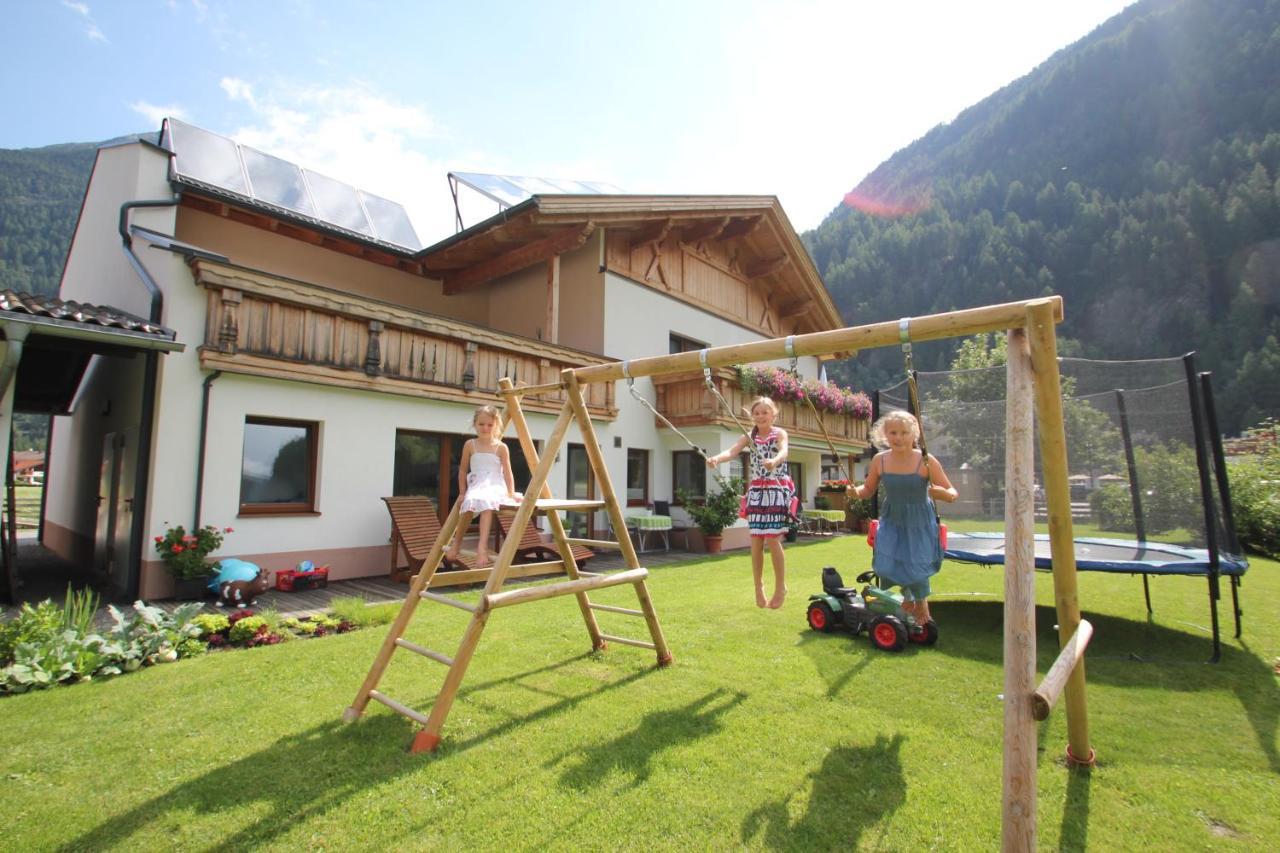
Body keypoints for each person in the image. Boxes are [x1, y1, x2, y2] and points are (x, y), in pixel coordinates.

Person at [848, 410, 957, 630]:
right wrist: (855, 492)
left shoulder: (925, 460)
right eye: (893, 433)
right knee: (886, 563)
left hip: (919, 518)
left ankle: (921, 601)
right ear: (884, 435)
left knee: (915, 561)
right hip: (892, 516)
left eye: (904, 433)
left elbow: (951, 490)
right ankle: (908, 593)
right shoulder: (880, 460)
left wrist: (945, 495)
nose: (898, 437)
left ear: (914, 434)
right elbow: (868, 490)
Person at [706, 396, 795, 609]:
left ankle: (780, 587)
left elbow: (784, 450)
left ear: (773, 414)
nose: (761, 416)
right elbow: (732, 451)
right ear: (752, 417)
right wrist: (716, 458)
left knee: (772, 539)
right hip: (757, 491)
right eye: (757, 413)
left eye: (765, 412)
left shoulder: (779, 434)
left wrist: (774, 460)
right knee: (755, 541)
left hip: (776, 488)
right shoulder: (749, 436)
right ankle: (758, 586)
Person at [446, 405, 522, 568]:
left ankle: (482, 546)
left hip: (495, 484)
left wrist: (511, 492)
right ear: (475, 424)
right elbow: (462, 470)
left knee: (486, 502)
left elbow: (508, 473)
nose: (485, 428)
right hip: (477, 483)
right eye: (481, 424)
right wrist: (461, 493)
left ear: (496, 426)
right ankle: (457, 542)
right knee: (469, 502)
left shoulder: (501, 447)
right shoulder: (470, 445)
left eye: (490, 425)